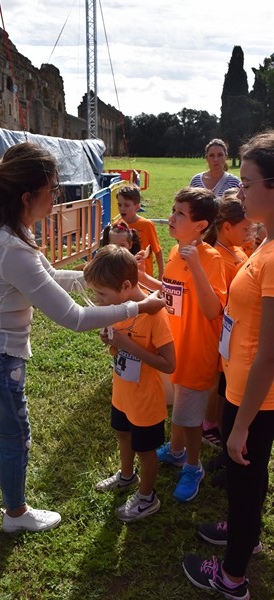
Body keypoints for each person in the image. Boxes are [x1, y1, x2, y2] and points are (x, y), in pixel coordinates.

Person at [0, 142, 165, 534]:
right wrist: (136, 307)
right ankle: (15, 515)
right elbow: (74, 317)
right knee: (15, 434)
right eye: (53, 191)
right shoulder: (12, 247)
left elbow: (50, 278)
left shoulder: (3, 227)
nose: (57, 197)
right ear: (29, 196)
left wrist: (100, 278)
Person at [183, 131, 274, 600]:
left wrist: (239, 426)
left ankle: (232, 576)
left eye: (249, 182)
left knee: (244, 484)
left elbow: (271, 351)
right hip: (244, 391)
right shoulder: (266, 241)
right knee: (246, 483)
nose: (239, 193)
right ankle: (246, 534)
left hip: (254, 398)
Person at [137, 187, 227, 502]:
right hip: (175, 345)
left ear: (201, 225)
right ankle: (176, 452)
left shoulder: (210, 257)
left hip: (197, 349)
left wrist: (198, 266)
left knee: (189, 418)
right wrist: (142, 277)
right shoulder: (176, 252)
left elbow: (212, 308)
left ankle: (193, 465)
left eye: (180, 214)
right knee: (179, 407)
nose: (171, 218)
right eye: (173, 210)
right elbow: (171, 291)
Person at [83, 245, 175, 521]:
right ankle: (126, 475)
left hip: (146, 400)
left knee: (146, 450)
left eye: (102, 294)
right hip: (122, 391)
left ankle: (147, 498)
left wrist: (127, 345)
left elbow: (169, 364)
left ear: (125, 286)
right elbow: (119, 350)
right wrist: (112, 344)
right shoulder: (117, 310)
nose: (98, 301)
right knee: (122, 434)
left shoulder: (155, 315)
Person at [202, 191, 252, 456]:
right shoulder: (217, 257)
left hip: (235, 330)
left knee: (224, 381)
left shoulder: (237, 251)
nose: (250, 231)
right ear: (227, 227)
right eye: (246, 227)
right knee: (216, 379)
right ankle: (208, 423)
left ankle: (219, 422)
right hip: (221, 330)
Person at [116, 184, 164, 279]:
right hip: (123, 275)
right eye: (119, 205)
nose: (122, 208)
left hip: (144, 276)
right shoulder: (118, 225)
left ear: (137, 207)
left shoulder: (147, 225)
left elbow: (157, 250)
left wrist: (161, 273)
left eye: (126, 205)